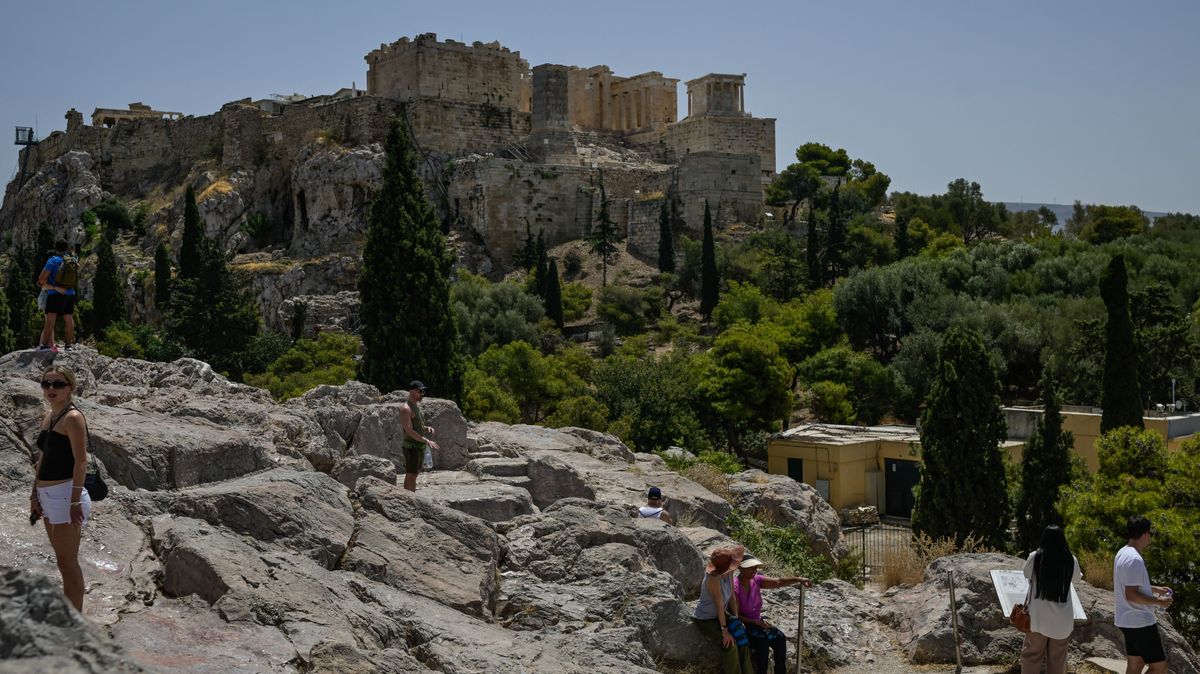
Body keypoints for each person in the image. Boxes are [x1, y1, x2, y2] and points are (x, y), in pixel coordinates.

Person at [28, 365, 91, 611]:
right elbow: (42, 459)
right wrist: (35, 494)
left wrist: (75, 501)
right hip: (48, 495)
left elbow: (81, 461)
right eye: (46, 384)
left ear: (71, 388)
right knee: (61, 560)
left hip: (66, 495)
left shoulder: (73, 417)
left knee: (68, 563)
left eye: (58, 384)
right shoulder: (50, 416)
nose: (51, 389)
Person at [733, 555, 813, 674]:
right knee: (763, 642)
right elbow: (736, 615)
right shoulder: (735, 587)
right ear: (741, 568)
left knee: (779, 637)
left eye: (755, 568)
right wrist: (755, 622)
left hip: (758, 624)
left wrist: (798, 579)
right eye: (750, 568)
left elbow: (778, 581)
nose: (754, 571)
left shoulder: (756, 580)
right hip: (744, 626)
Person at [1019, 525, 1082, 674]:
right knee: (1058, 659)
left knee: (1032, 656)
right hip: (1062, 621)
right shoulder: (1070, 559)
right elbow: (1077, 579)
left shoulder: (1036, 556)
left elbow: (1026, 574)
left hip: (1037, 619)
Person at [1114, 515, 1173, 674]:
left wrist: (1155, 589)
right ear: (1146, 534)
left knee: (1136, 664)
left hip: (1127, 619)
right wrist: (1159, 602)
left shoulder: (1122, 553)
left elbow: (1131, 585)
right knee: (1160, 668)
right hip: (1140, 621)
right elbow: (1131, 594)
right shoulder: (1135, 559)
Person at [693, 544, 754, 674]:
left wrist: (736, 620)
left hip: (721, 615)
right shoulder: (713, 579)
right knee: (730, 645)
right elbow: (719, 605)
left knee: (742, 639)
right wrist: (724, 630)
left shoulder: (728, 573)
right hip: (706, 619)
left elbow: (731, 597)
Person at [37, 239, 77, 352]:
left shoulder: (53, 260)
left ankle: (44, 345)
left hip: (55, 294)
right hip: (70, 293)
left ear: (56, 248)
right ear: (67, 248)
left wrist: (47, 284)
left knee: (50, 321)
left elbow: (41, 278)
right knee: (69, 319)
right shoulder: (73, 260)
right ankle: (68, 346)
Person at [398, 380, 437, 492]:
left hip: (417, 446)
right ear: (412, 392)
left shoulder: (415, 406)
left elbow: (417, 425)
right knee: (411, 474)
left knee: (414, 474)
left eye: (423, 391)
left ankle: (411, 497)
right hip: (411, 447)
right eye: (420, 391)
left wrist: (426, 428)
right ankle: (408, 499)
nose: (422, 394)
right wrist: (426, 440)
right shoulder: (406, 408)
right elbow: (408, 430)